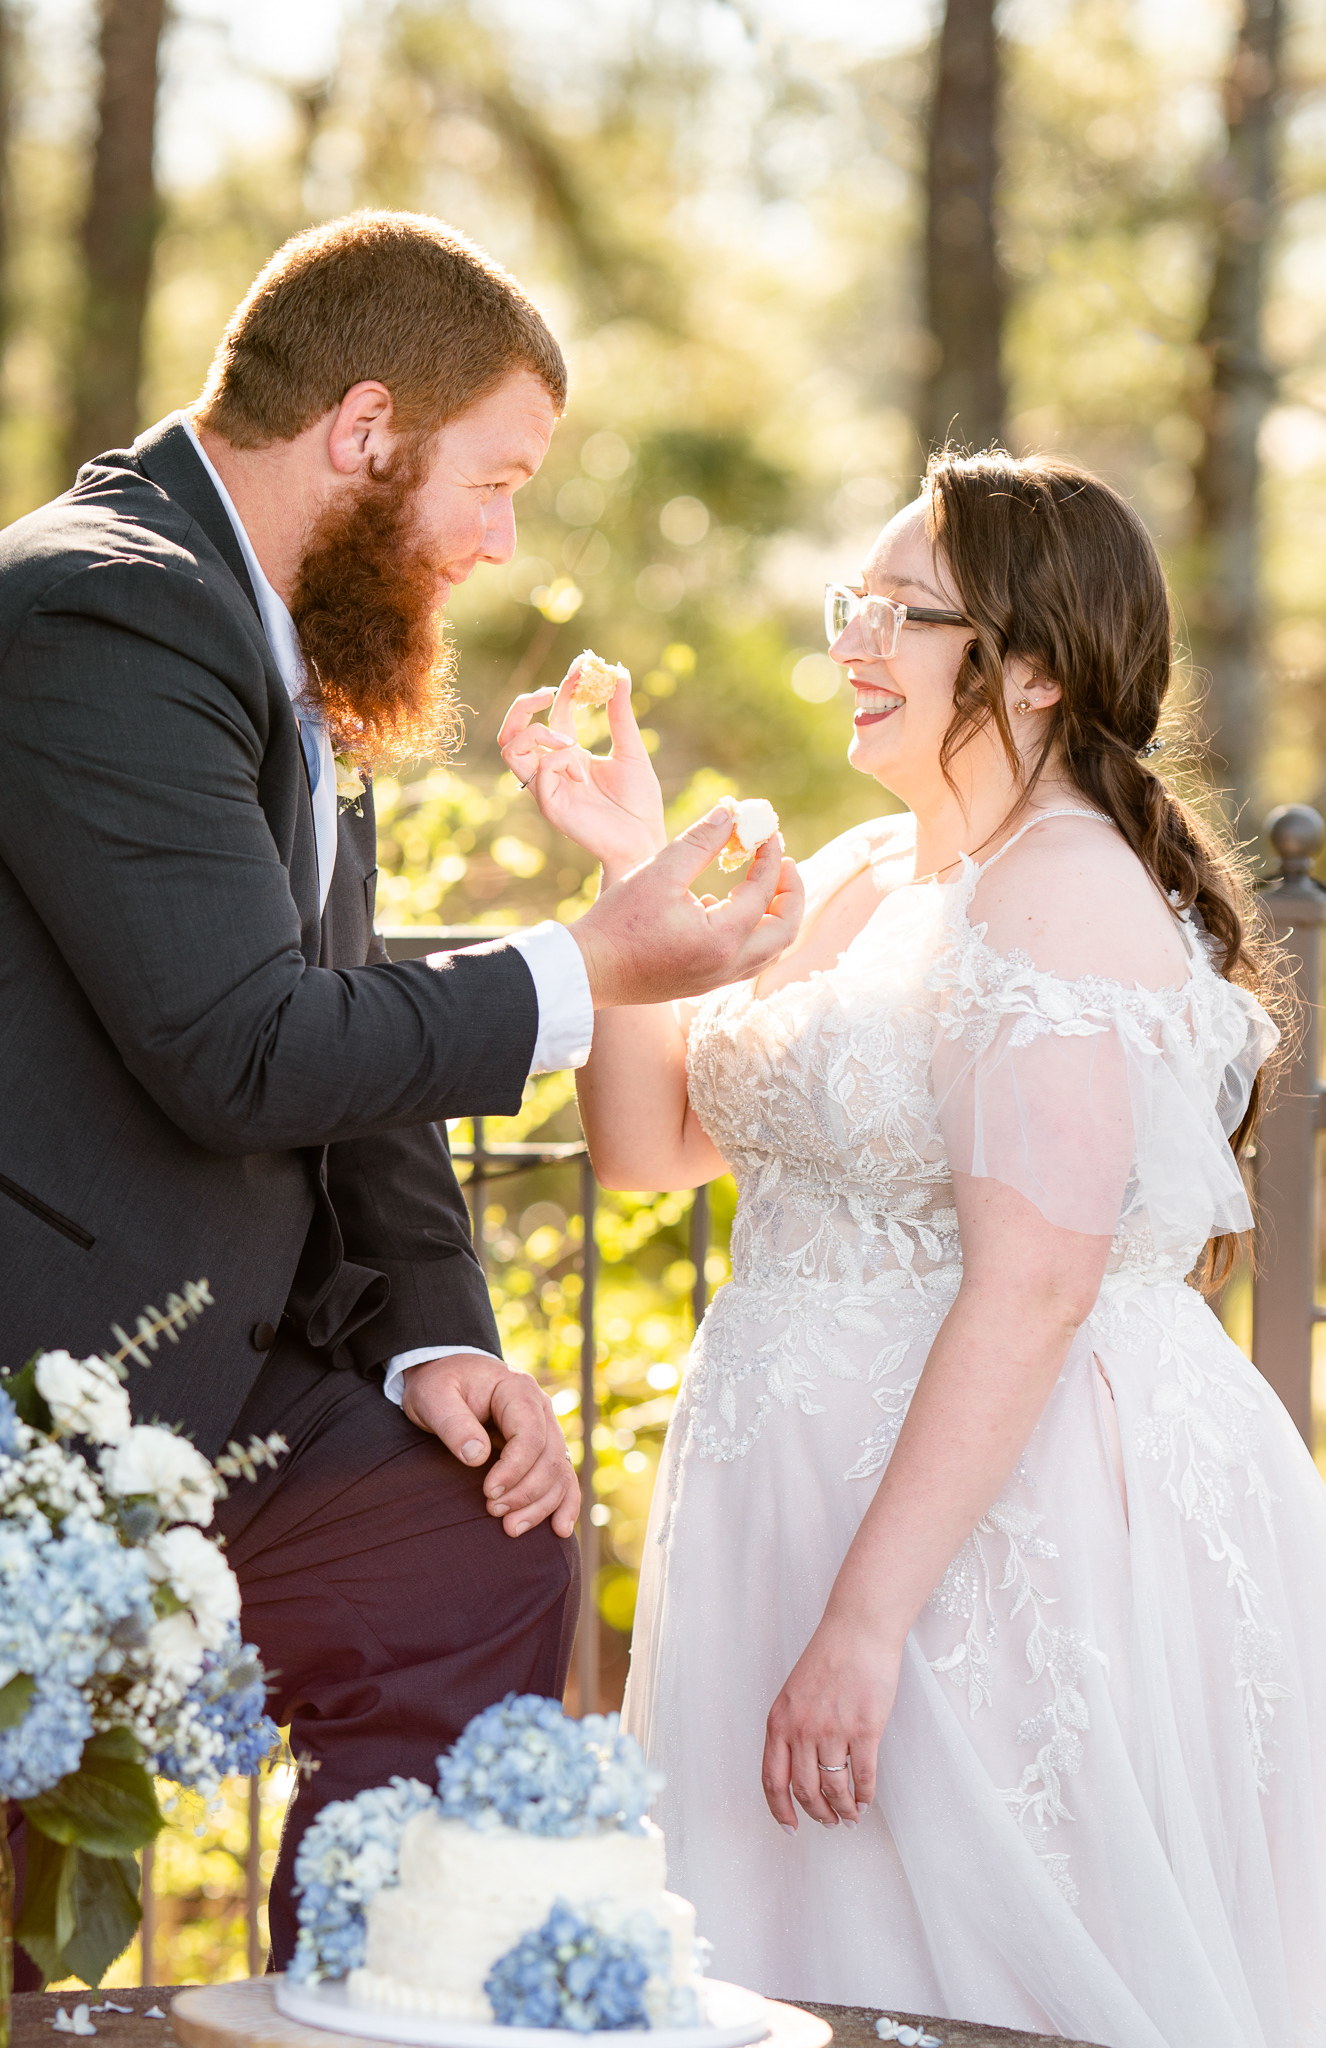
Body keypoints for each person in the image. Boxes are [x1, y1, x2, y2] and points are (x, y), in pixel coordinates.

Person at [0, 209, 801, 1968]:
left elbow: (344, 1013)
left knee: (474, 1542)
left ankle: (365, 1999)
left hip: (240, 1383)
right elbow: (243, 1047)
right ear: (362, 431)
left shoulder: (282, 635)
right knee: (22, 1928)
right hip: (25, 1391)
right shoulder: (98, 613)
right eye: (490, 485)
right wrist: (591, 970)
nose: (501, 544)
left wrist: (439, 1337)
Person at [500, 450, 1326, 2047]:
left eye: (899, 612)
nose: (850, 645)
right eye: (849, 605)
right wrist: (625, 871)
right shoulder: (875, 874)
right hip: (791, 1508)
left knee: (992, 1979)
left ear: (1029, 666)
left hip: (994, 1540)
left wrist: (866, 1625)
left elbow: (1035, 1283)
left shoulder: (1068, 889)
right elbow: (646, 1147)